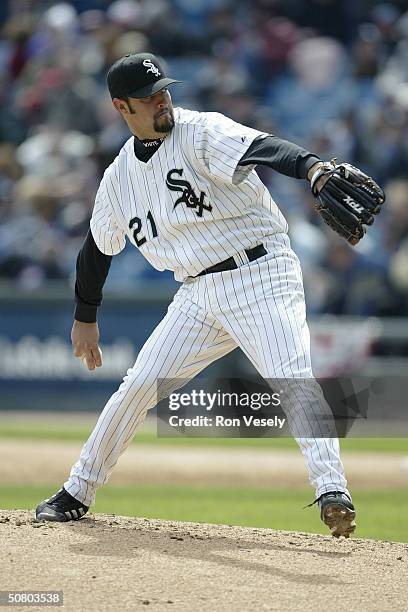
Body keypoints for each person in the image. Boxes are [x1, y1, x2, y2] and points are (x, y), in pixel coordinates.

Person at [35, 52, 356, 537]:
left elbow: (262, 148)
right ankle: (77, 491)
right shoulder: (119, 176)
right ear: (123, 108)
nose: (163, 100)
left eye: (164, 89)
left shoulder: (200, 131)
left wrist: (311, 168)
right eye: (149, 97)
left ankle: (332, 489)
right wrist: (85, 315)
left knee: (291, 376)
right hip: (196, 293)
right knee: (139, 385)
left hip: (261, 273)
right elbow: (96, 250)